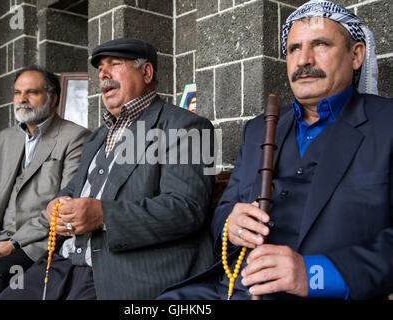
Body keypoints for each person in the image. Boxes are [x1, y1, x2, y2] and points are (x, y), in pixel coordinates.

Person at [158, 0, 393, 300]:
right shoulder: (257, 128)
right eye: (294, 49)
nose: (303, 59)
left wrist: (313, 274)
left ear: (356, 55)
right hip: (231, 290)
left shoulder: (386, 125)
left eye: (320, 44)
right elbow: (223, 214)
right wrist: (231, 225)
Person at [0, 38, 216, 300]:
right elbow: (75, 188)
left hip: (124, 272)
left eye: (114, 64)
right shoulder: (98, 136)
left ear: (146, 73)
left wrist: (104, 216)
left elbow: (187, 209)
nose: (103, 74)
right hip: (64, 263)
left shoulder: (189, 127)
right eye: (101, 68)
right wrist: (55, 205)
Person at [0, 66, 90, 300]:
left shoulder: (75, 137)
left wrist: (12, 243)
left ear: (52, 98)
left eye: (31, 92)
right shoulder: (6, 137)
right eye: (17, 93)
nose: (22, 99)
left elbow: (63, 206)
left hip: (33, 245)